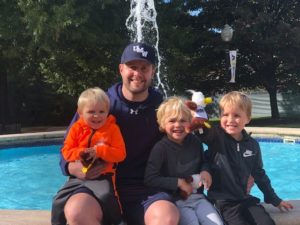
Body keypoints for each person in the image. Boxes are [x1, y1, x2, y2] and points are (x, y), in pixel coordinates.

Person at [52, 42, 180, 225]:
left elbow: (182, 141)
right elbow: (67, 146)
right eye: (132, 67)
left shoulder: (163, 107)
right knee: (77, 212)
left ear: (153, 71)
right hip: (99, 181)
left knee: (166, 218)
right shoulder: (99, 104)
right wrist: (72, 168)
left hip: (145, 187)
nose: (138, 73)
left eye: (144, 68)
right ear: (121, 69)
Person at [201, 91, 293, 225]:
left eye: (236, 115)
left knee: (266, 222)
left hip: (244, 198)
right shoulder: (216, 138)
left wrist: (275, 199)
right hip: (224, 201)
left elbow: (259, 174)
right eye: (225, 115)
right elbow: (200, 131)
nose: (230, 120)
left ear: (248, 118)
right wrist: (197, 112)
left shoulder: (252, 145)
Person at [144, 96, 224, 225]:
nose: (178, 125)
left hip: (198, 198)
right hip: (176, 200)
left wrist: (205, 171)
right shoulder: (160, 148)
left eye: (183, 120)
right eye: (172, 121)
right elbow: (150, 178)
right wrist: (178, 182)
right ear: (163, 124)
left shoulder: (195, 142)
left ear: (190, 122)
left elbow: (203, 162)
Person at [52, 87, 126, 225]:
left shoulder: (112, 129)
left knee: (107, 196)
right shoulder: (76, 129)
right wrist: (81, 153)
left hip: (102, 176)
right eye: (91, 112)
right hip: (77, 177)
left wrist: (99, 151)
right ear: (80, 113)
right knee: (58, 200)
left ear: (107, 112)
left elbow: (120, 154)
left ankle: (116, 220)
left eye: (101, 112)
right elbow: (66, 151)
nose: (97, 116)